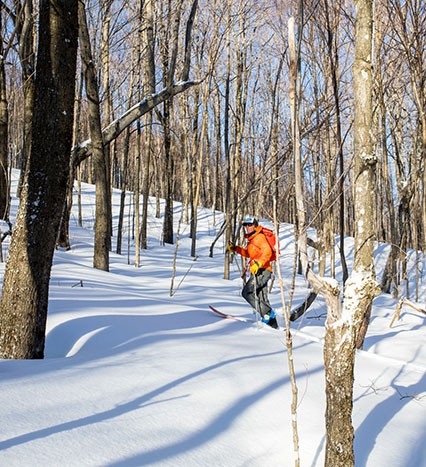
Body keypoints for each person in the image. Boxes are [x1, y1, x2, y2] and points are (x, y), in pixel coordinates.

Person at [227, 216, 278, 329]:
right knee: (262, 298)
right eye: (245, 225)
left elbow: (268, 252)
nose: (247, 227)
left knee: (247, 293)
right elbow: (249, 254)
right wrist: (236, 249)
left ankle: (268, 314)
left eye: (249, 225)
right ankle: (272, 325)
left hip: (262, 271)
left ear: (255, 226)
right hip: (259, 270)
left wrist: (258, 264)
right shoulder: (252, 239)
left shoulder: (259, 237)